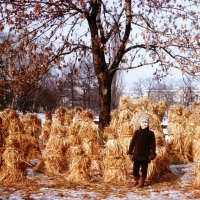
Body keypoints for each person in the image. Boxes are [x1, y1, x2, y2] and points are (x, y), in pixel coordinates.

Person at [127, 115, 156, 188]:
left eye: (146, 122)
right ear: (140, 124)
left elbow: (153, 144)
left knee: (144, 169)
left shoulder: (151, 133)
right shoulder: (137, 132)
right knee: (135, 168)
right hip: (137, 154)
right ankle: (136, 180)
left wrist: (152, 153)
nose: (144, 124)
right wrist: (130, 152)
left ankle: (142, 181)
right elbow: (132, 143)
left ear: (148, 124)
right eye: (143, 122)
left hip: (145, 155)